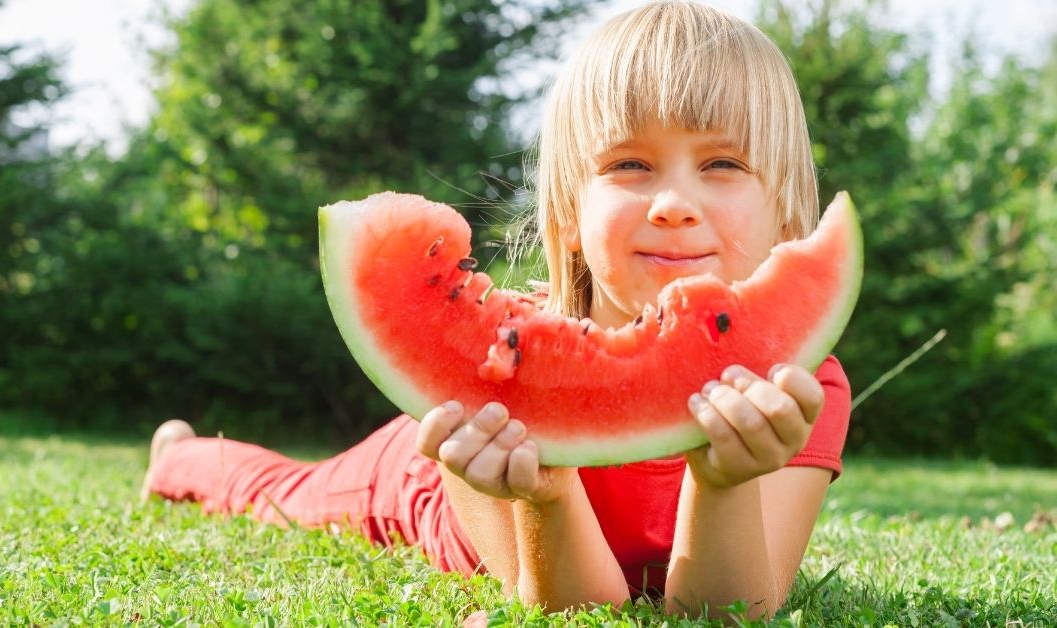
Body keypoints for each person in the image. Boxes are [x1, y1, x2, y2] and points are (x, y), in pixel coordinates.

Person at [141, 1, 850, 619]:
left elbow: (727, 612)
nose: (670, 204)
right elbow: (575, 611)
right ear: (569, 214)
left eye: (722, 165)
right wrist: (546, 495)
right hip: (433, 469)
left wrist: (722, 482)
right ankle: (183, 458)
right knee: (284, 493)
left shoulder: (805, 387)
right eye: (629, 166)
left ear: (787, 214)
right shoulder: (491, 371)